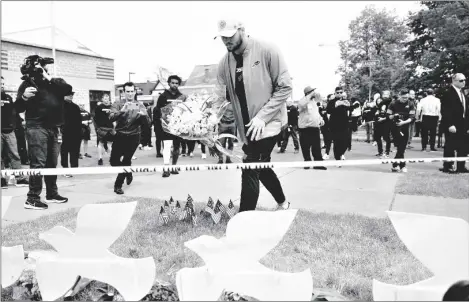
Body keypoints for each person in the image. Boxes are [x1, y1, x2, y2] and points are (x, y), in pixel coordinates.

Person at [216, 18, 290, 212]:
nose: (226, 41)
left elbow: (285, 88)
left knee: (250, 165)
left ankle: (244, 219)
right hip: (247, 128)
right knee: (261, 167)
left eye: (230, 36)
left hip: (270, 122)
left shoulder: (267, 50)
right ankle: (283, 202)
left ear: (242, 30)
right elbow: (221, 97)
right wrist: (207, 124)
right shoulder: (224, 62)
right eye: (222, 38)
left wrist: (262, 117)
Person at [16, 55, 71, 210]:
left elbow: (68, 90)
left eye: (44, 66)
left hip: (54, 127)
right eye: (40, 66)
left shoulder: (55, 82)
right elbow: (18, 108)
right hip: (36, 127)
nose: (42, 68)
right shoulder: (27, 83)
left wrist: (47, 76)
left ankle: (52, 194)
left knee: (52, 163)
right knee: (38, 163)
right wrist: (24, 97)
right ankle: (32, 198)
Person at [108, 82, 150, 194]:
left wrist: (144, 117)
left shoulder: (140, 105)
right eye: (128, 91)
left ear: (135, 92)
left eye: (132, 91)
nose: (130, 94)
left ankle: (118, 185)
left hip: (133, 136)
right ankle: (128, 172)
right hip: (120, 135)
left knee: (126, 160)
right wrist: (122, 111)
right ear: (124, 92)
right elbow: (111, 118)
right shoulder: (117, 104)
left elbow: (148, 124)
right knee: (113, 161)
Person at [154, 75, 187, 177]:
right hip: (166, 126)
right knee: (167, 146)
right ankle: (166, 169)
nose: (174, 85)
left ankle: (173, 167)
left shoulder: (182, 96)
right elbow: (158, 111)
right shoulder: (163, 96)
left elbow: (185, 111)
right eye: (172, 83)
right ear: (169, 83)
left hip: (178, 126)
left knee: (177, 148)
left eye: (176, 83)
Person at [1, 76, 29, 188]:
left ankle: (20, 178)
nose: (2, 86)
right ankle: (1, 179)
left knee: (15, 155)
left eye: (3, 84)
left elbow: (14, 111)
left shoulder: (8, 97)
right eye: (0, 84)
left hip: (9, 131)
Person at [440, 73, 468, 174]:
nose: (464, 82)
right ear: (454, 81)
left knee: (464, 146)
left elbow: (465, 110)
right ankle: (448, 166)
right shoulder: (448, 93)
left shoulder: (462, 93)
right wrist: (450, 124)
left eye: (464, 80)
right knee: (450, 146)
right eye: (461, 80)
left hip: (463, 124)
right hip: (452, 124)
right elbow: (445, 111)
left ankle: (461, 166)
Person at [297, 86, 326, 170]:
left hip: (314, 128)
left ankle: (318, 164)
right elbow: (301, 105)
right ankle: (307, 162)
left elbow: (316, 113)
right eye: (312, 91)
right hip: (305, 128)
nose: (314, 93)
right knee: (305, 147)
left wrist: (320, 119)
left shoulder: (313, 102)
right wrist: (309, 96)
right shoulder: (303, 101)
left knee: (317, 147)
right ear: (308, 93)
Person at [387, 89, 416, 173]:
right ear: (399, 96)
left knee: (402, 147)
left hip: (405, 127)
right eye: (403, 97)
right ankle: (399, 166)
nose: (405, 99)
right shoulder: (393, 103)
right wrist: (394, 116)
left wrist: (404, 122)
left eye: (406, 97)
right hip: (394, 127)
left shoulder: (411, 104)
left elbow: (412, 117)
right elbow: (388, 115)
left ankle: (397, 165)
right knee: (399, 147)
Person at [60, 89, 82, 176]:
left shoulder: (75, 107)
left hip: (75, 133)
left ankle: (74, 168)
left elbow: (79, 120)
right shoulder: (60, 106)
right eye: (69, 95)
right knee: (64, 152)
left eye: (72, 95)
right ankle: (65, 169)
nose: (71, 96)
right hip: (64, 133)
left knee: (75, 151)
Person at [327, 87, 350, 161]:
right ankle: (337, 159)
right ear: (335, 93)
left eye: (341, 92)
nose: (339, 94)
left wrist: (349, 106)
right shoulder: (332, 101)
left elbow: (350, 109)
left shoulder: (345, 101)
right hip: (335, 126)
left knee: (346, 142)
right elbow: (328, 111)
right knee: (337, 143)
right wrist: (335, 105)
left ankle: (341, 153)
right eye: (338, 92)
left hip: (344, 125)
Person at [93, 93, 115, 165]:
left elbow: (114, 117)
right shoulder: (99, 107)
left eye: (108, 98)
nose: (106, 100)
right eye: (105, 98)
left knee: (109, 144)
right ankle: (100, 158)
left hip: (110, 128)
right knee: (101, 144)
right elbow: (95, 118)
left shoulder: (112, 107)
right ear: (102, 99)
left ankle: (111, 158)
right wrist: (97, 128)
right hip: (102, 128)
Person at [374, 90, 392, 158]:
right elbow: (378, 110)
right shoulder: (381, 102)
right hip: (379, 122)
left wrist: (384, 118)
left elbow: (391, 114)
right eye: (384, 94)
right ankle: (380, 152)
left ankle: (387, 152)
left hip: (386, 122)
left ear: (389, 95)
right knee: (378, 137)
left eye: (387, 94)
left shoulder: (390, 103)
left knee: (386, 137)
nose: (385, 95)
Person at [320, 95, 333, 159]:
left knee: (330, 141)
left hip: (333, 128)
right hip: (325, 128)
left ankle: (327, 153)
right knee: (327, 140)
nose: (324, 104)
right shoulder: (322, 110)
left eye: (325, 103)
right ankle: (326, 153)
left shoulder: (332, 110)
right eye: (323, 103)